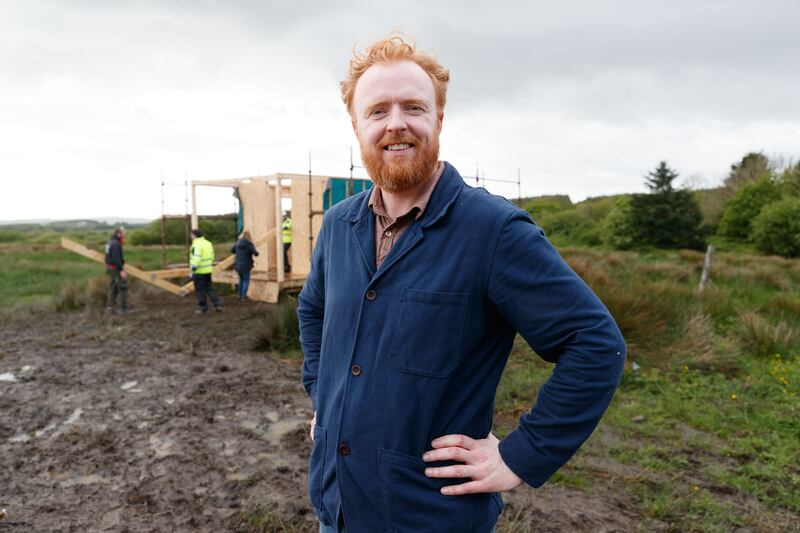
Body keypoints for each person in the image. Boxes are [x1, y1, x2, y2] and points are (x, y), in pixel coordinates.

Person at [297, 36, 626, 533]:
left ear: (439, 119)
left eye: (413, 107)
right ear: (356, 126)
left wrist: (521, 455)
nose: (396, 123)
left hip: (430, 516)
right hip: (337, 508)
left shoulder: (492, 230)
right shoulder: (339, 224)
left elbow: (595, 344)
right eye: (377, 111)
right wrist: (325, 398)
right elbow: (313, 311)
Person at [189, 228, 221, 313]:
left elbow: (196, 257)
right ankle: (217, 304)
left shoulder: (196, 245)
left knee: (200, 290)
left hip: (199, 271)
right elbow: (212, 256)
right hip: (208, 270)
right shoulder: (208, 243)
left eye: (191, 235)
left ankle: (203, 308)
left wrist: (193, 269)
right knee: (210, 288)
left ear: (194, 235)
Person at [104, 226, 128, 313]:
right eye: (123, 233)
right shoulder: (116, 244)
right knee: (123, 287)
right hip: (116, 268)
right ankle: (123, 308)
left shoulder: (109, 242)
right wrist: (121, 270)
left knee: (112, 287)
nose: (124, 235)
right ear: (118, 234)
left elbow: (107, 256)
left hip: (110, 268)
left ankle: (110, 306)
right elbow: (117, 259)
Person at [231, 230, 260, 300]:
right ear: (249, 236)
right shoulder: (249, 244)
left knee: (241, 280)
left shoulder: (237, 243)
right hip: (246, 265)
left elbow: (232, 250)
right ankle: (244, 296)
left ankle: (239, 295)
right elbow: (255, 253)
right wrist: (256, 252)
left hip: (238, 265)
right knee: (246, 281)